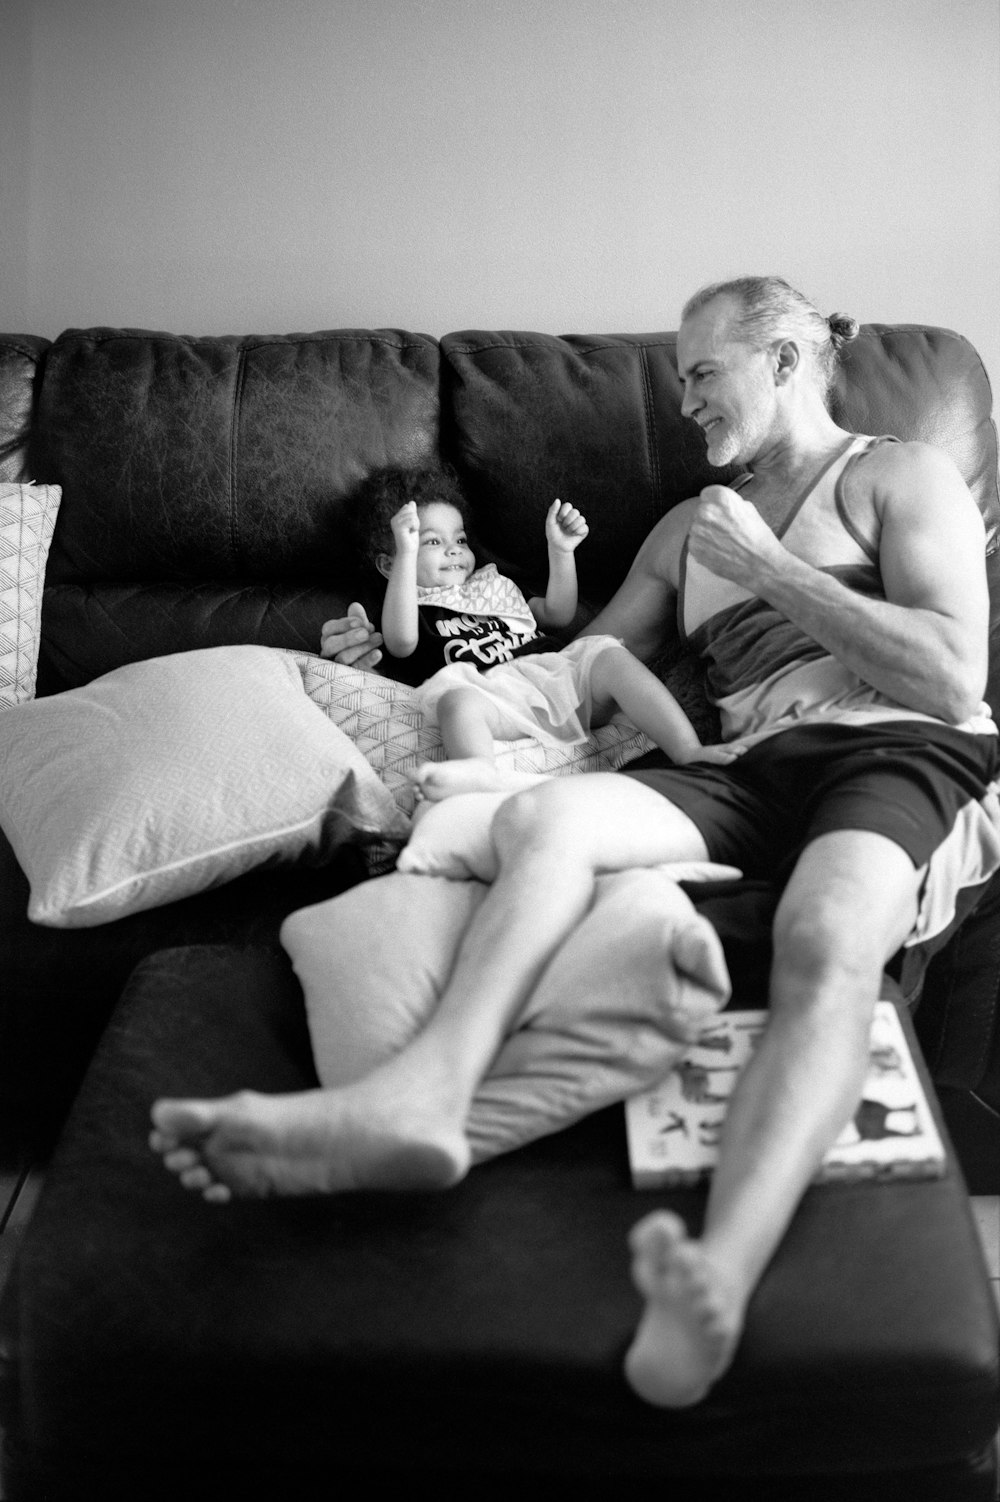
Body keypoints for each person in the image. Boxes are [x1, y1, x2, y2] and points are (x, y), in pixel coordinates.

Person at [150, 275, 1000, 1411]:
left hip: (891, 750)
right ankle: (423, 1096)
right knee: (538, 818)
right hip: (736, 766)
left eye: (704, 372)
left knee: (825, 934)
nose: (686, 400)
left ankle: (719, 1279)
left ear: (787, 360)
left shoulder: (900, 473)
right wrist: (397, 686)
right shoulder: (681, 528)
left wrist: (774, 573)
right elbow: (575, 671)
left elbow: (952, 675)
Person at [354, 466, 740, 798]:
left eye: (460, 539)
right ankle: (478, 773)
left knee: (606, 653)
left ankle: (687, 749)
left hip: (552, 674)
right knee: (457, 702)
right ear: (390, 564)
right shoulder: (410, 607)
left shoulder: (492, 586)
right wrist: (406, 555)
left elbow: (558, 612)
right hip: (495, 696)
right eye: (432, 542)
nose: (454, 550)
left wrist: (561, 552)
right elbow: (402, 643)